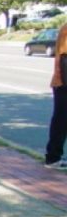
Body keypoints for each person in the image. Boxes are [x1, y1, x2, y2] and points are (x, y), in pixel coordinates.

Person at [45, 22, 67, 169]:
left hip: (62, 82)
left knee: (61, 120)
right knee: (61, 121)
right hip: (63, 83)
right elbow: (64, 59)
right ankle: (53, 158)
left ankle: (53, 157)